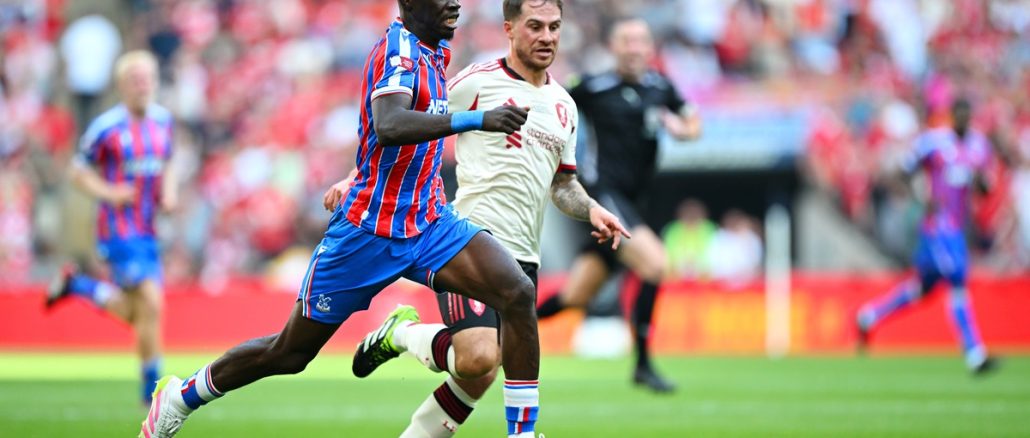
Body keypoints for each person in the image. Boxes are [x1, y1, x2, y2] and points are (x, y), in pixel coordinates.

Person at [138, 1, 568, 436]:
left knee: (516, 292)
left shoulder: (434, 48)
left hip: (429, 221)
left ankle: (522, 432)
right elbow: (389, 123)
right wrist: (477, 120)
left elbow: (385, 139)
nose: (455, 2)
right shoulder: (399, 50)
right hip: (369, 232)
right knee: (289, 354)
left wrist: (357, 172)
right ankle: (180, 397)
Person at [327, 1, 629, 436]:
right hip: (468, 241)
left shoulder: (565, 106)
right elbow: (408, 121)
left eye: (555, 27)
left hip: (525, 256)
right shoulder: (476, 82)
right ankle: (403, 335)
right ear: (509, 29)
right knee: (478, 356)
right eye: (535, 26)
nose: (547, 37)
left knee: (479, 374)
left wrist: (593, 209)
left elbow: (563, 186)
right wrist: (356, 176)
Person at [534, 17, 701, 393]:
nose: (634, 47)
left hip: (635, 200)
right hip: (603, 196)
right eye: (626, 40)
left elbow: (693, 122)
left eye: (640, 40)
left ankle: (503, 330)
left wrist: (683, 130)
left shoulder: (661, 87)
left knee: (575, 296)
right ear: (614, 47)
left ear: (649, 47)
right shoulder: (593, 87)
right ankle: (642, 364)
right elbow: (551, 101)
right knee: (656, 264)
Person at [46, 50, 177, 406]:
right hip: (118, 229)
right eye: (135, 79)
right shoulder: (106, 127)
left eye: (147, 78)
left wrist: (170, 191)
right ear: (122, 85)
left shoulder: (164, 121)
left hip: (149, 229)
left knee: (138, 311)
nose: (142, 85)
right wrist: (110, 192)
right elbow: (76, 170)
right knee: (152, 302)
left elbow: (170, 161)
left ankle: (80, 286)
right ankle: (152, 391)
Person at [856, 99, 997, 375]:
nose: (962, 120)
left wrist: (980, 180)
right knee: (957, 278)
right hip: (937, 227)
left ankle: (869, 316)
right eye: (958, 115)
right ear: (951, 117)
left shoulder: (978, 146)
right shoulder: (934, 143)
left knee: (922, 290)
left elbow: (985, 188)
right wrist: (920, 197)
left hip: (958, 227)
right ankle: (974, 352)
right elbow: (903, 170)